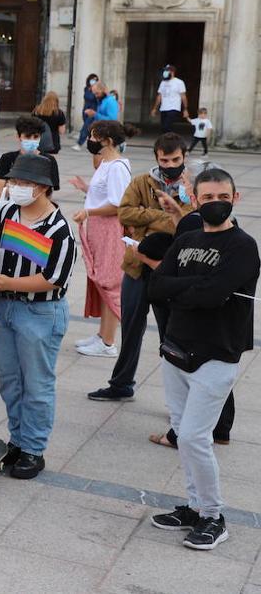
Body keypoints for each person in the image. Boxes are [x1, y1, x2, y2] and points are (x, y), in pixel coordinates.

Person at [147, 167, 257, 551]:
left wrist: (186, 289)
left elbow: (213, 295)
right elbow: (156, 287)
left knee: (195, 436)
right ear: (194, 200)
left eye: (221, 197)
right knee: (182, 432)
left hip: (216, 355)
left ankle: (213, 516)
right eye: (207, 198)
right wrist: (197, 288)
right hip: (176, 349)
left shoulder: (243, 246)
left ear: (234, 198)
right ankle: (194, 507)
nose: (215, 203)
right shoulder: (187, 238)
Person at [0, 153, 77, 479]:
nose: (13, 187)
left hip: (40, 312)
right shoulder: (8, 211)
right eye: (13, 181)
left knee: (37, 385)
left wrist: (10, 282)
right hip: (5, 308)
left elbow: (54, 277)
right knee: (10, 380)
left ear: (40, 188)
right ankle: (18, 439)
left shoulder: (59, 229)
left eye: (21, 183)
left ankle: (34, 450)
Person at [87, 132, 192, 401]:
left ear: (184, 157)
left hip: (170, 271)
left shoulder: (192, 189)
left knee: (172, 336)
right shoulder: (141, 182)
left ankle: (179, 396)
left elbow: (189, 224)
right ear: (156, 158)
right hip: (135, 267)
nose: (170, 165)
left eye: (175, 159)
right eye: (164, 159)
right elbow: (124, 212)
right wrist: (166, 217)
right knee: (131, 328)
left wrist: (147, 221)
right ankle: (121, 384)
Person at [70, 120, 134, 359]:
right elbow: (105, 195)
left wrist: (88, 212)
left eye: (94, 136)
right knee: (101, 279)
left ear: (107, 141)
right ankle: (101, 335)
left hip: (108, 229)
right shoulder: (107, 164)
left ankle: (108, 342)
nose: (90, 140)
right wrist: (86, 188)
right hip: (99, 227)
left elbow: (117, 205)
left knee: (109, 282)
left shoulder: (116, 166)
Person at [0, 116, 60, 198]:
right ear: (18, 137)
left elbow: (48, 194)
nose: (32, 140)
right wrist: (21, 190)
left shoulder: (49, 160)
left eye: (36, 137)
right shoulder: (7, 159)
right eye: (27, 137)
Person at [152, 63, 188, 134]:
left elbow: (183, 96)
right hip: (164, 108)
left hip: (173, 107)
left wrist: (185, 109)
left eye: (167, 71)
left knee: (167, 126)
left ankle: (171, 140)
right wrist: (154, 108)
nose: (165, 73)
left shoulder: (179, 82)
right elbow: (159, 96)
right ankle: (166, 142)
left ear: (172, 72)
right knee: (163, 128)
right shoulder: (163, 82)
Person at [74, 74, 101, 150]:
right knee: (90, 128)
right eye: (92, 79)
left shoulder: (97, 90)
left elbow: (98, 101)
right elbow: (85, 99)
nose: (93, 81)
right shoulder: (86, 88)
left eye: (95, 79)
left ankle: (79, 143)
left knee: (86, 127)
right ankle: (92, 143)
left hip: (92, 110)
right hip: (85, 109)